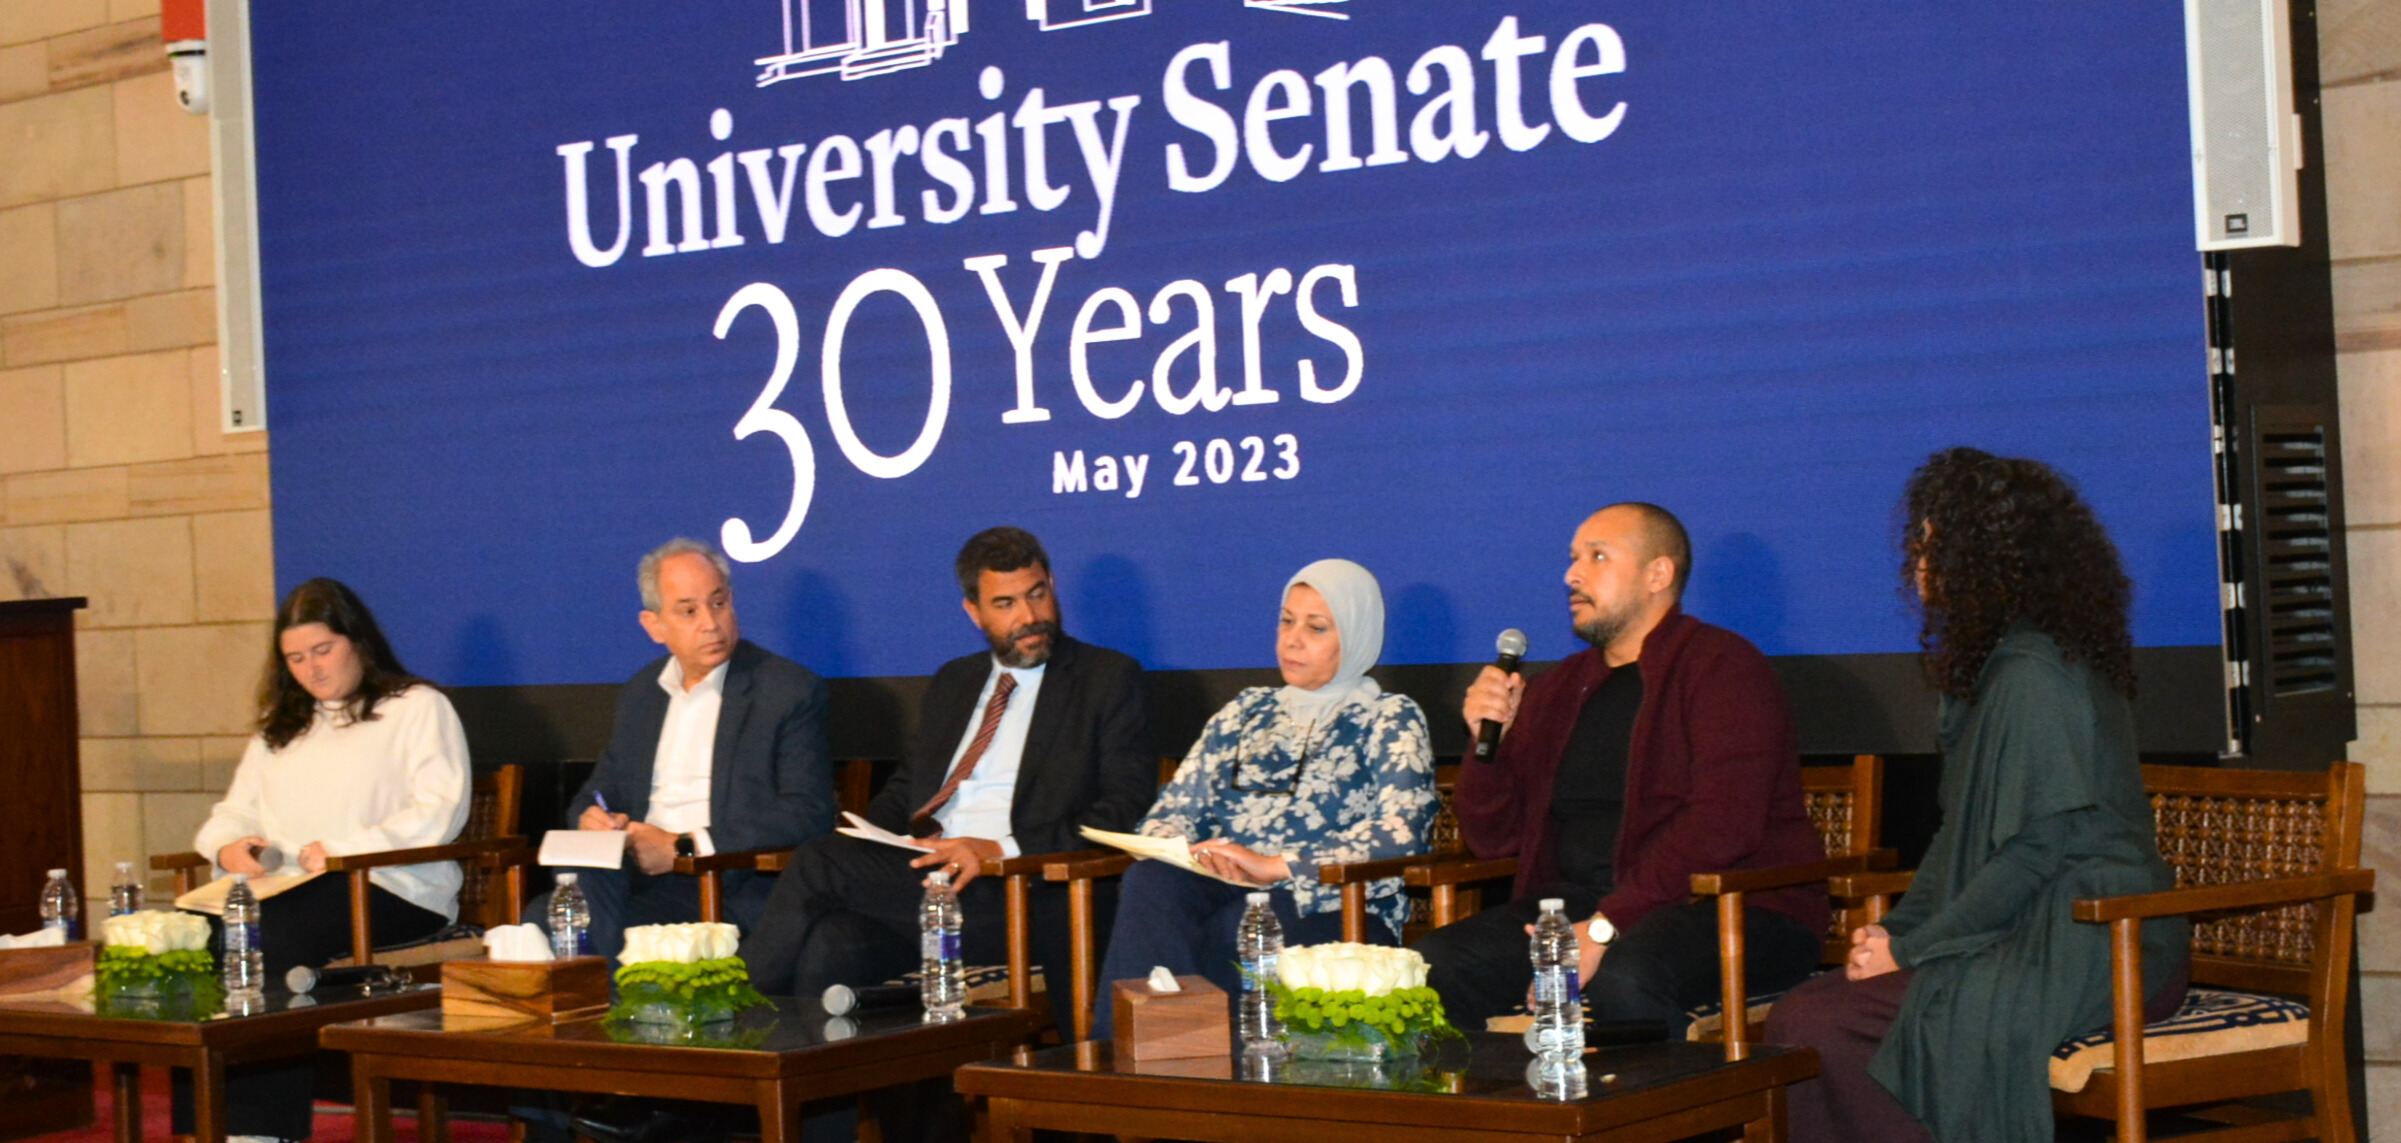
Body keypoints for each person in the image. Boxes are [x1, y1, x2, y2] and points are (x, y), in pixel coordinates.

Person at [1766, 448, 2190, 1143]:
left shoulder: (2033, 673)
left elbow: (2034, 851)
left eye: (1934, 547)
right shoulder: (1997, 669)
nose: (1918, 565)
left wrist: (1915, 949)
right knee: (1808, 1009)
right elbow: (1956, 837)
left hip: (2093, 937)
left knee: (1817, 1022)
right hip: (2031, 926)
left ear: (1984, 560)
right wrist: (1900, 931)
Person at [1411, 502, 1826, 1034]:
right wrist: (1487, 744)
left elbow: (1722, 826)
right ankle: (1511, 1115)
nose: (1572, 574)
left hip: (1731, 905)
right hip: (1583, 906)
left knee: (1628, 977)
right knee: (1434, 968)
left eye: (1598, 556)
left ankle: (1667, 1119)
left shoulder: (1723, 667)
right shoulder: (1559, 687)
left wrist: (1606, 927)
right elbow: (1495, 838)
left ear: (1658, 574)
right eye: (1572, 558)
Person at [739, 526, 1154, 998]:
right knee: (833, 946)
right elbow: (908, 789)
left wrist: (1000, 848)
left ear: (1052, 586)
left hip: (1019, 887)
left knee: (818, 864)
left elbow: (1124, 809)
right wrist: (868, 841)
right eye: (1006, 604)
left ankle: (729, 1017)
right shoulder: (955, 682)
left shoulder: (1106, 679)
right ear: (973, 612)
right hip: (926, 878)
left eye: (1037, 595)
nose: (1030, 616)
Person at [1089, 559, 1438, 1041]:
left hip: (1331, 899)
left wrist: (1276, 866)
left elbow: (1402, 832)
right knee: (1151, 880)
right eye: (1286, 620)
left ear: (1356, 635)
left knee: (1240, 924)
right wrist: (1191, 853)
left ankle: (1196, 1068)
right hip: (1225, 881)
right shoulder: (1244, 711)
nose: (1293, 639)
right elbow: (1169, 811)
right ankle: (1124, 1059)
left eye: (1316, 627)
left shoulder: (1388, 717)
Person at [185, 577, 471, 1143]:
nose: (312, 670)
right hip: (292, 887)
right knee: (190, 937)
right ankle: (211, 1124)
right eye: (295, 658)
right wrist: (227, 847)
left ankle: (262, 1132)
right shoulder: (282, 728)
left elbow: (440, 811)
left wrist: (342, 852)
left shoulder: (416, 707)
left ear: (357, 641)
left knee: (267, 937)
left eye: (323, 650)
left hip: (394, 889)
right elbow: (232, 811)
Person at [529, 537, 833, 961]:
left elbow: (808, 812)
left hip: (716, 881)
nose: (710, 623)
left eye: (719, 603)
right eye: (689, 611)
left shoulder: (785, 691)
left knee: (564, 925)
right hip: (630, 875)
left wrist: (682, 847)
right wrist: (590, 818)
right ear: (654, 625)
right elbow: (596, 793)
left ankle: (597, 1006)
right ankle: (602, 997)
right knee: (554, 906)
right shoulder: (642, 694)